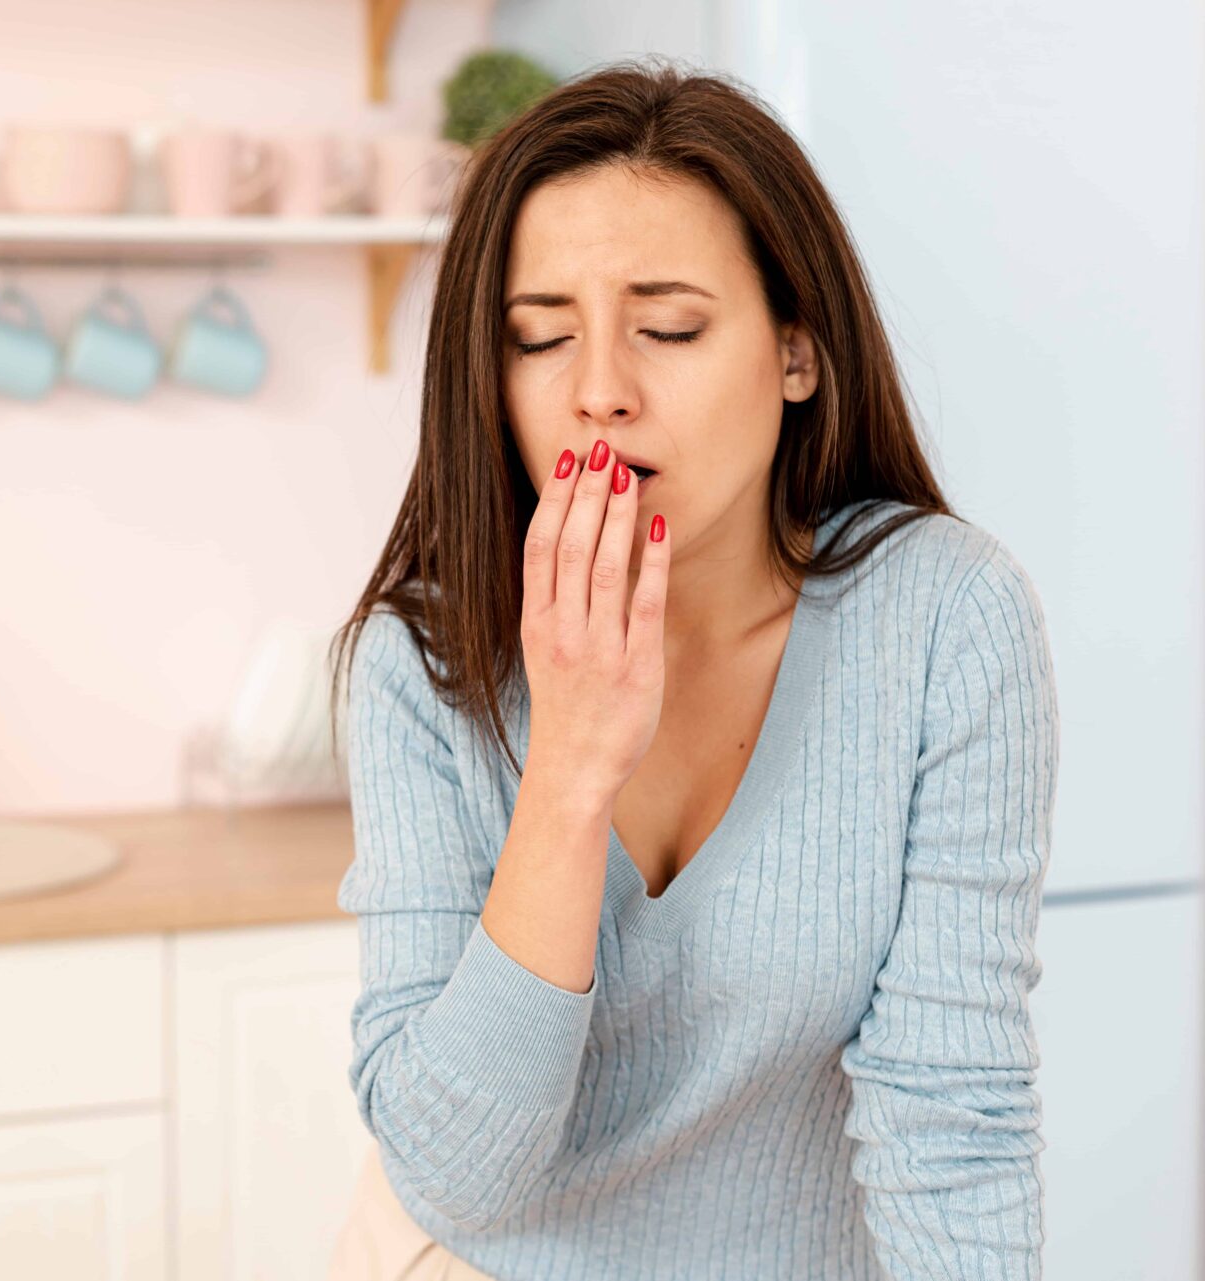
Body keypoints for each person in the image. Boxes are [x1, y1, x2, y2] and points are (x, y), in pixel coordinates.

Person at [324, 56, 1059, 1281]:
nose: (599, 392)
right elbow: (457, 1177)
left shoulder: (947, 619)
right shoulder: (420, 662)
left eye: (668, 328)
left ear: (796, 354)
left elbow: (952, 1126)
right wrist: (566, 770)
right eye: (540, 338)